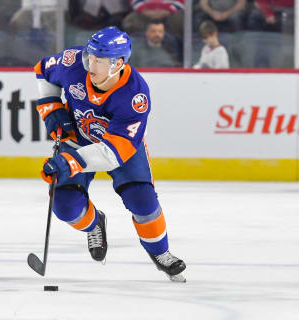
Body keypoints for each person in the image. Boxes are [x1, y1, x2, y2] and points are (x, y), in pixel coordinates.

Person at [34, 26, 186, 281]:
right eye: (90, 58)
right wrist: (51, 107)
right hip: (76, 140)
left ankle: (161, 253)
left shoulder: (135, 95)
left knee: (143, 202)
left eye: (98, 61)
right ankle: (95, 225)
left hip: (120, 147)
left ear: (117, 64)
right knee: (65, 207)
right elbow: (42, 70)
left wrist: (69, 162)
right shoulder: (74, 63)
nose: (90, 65)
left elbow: (112, 153)